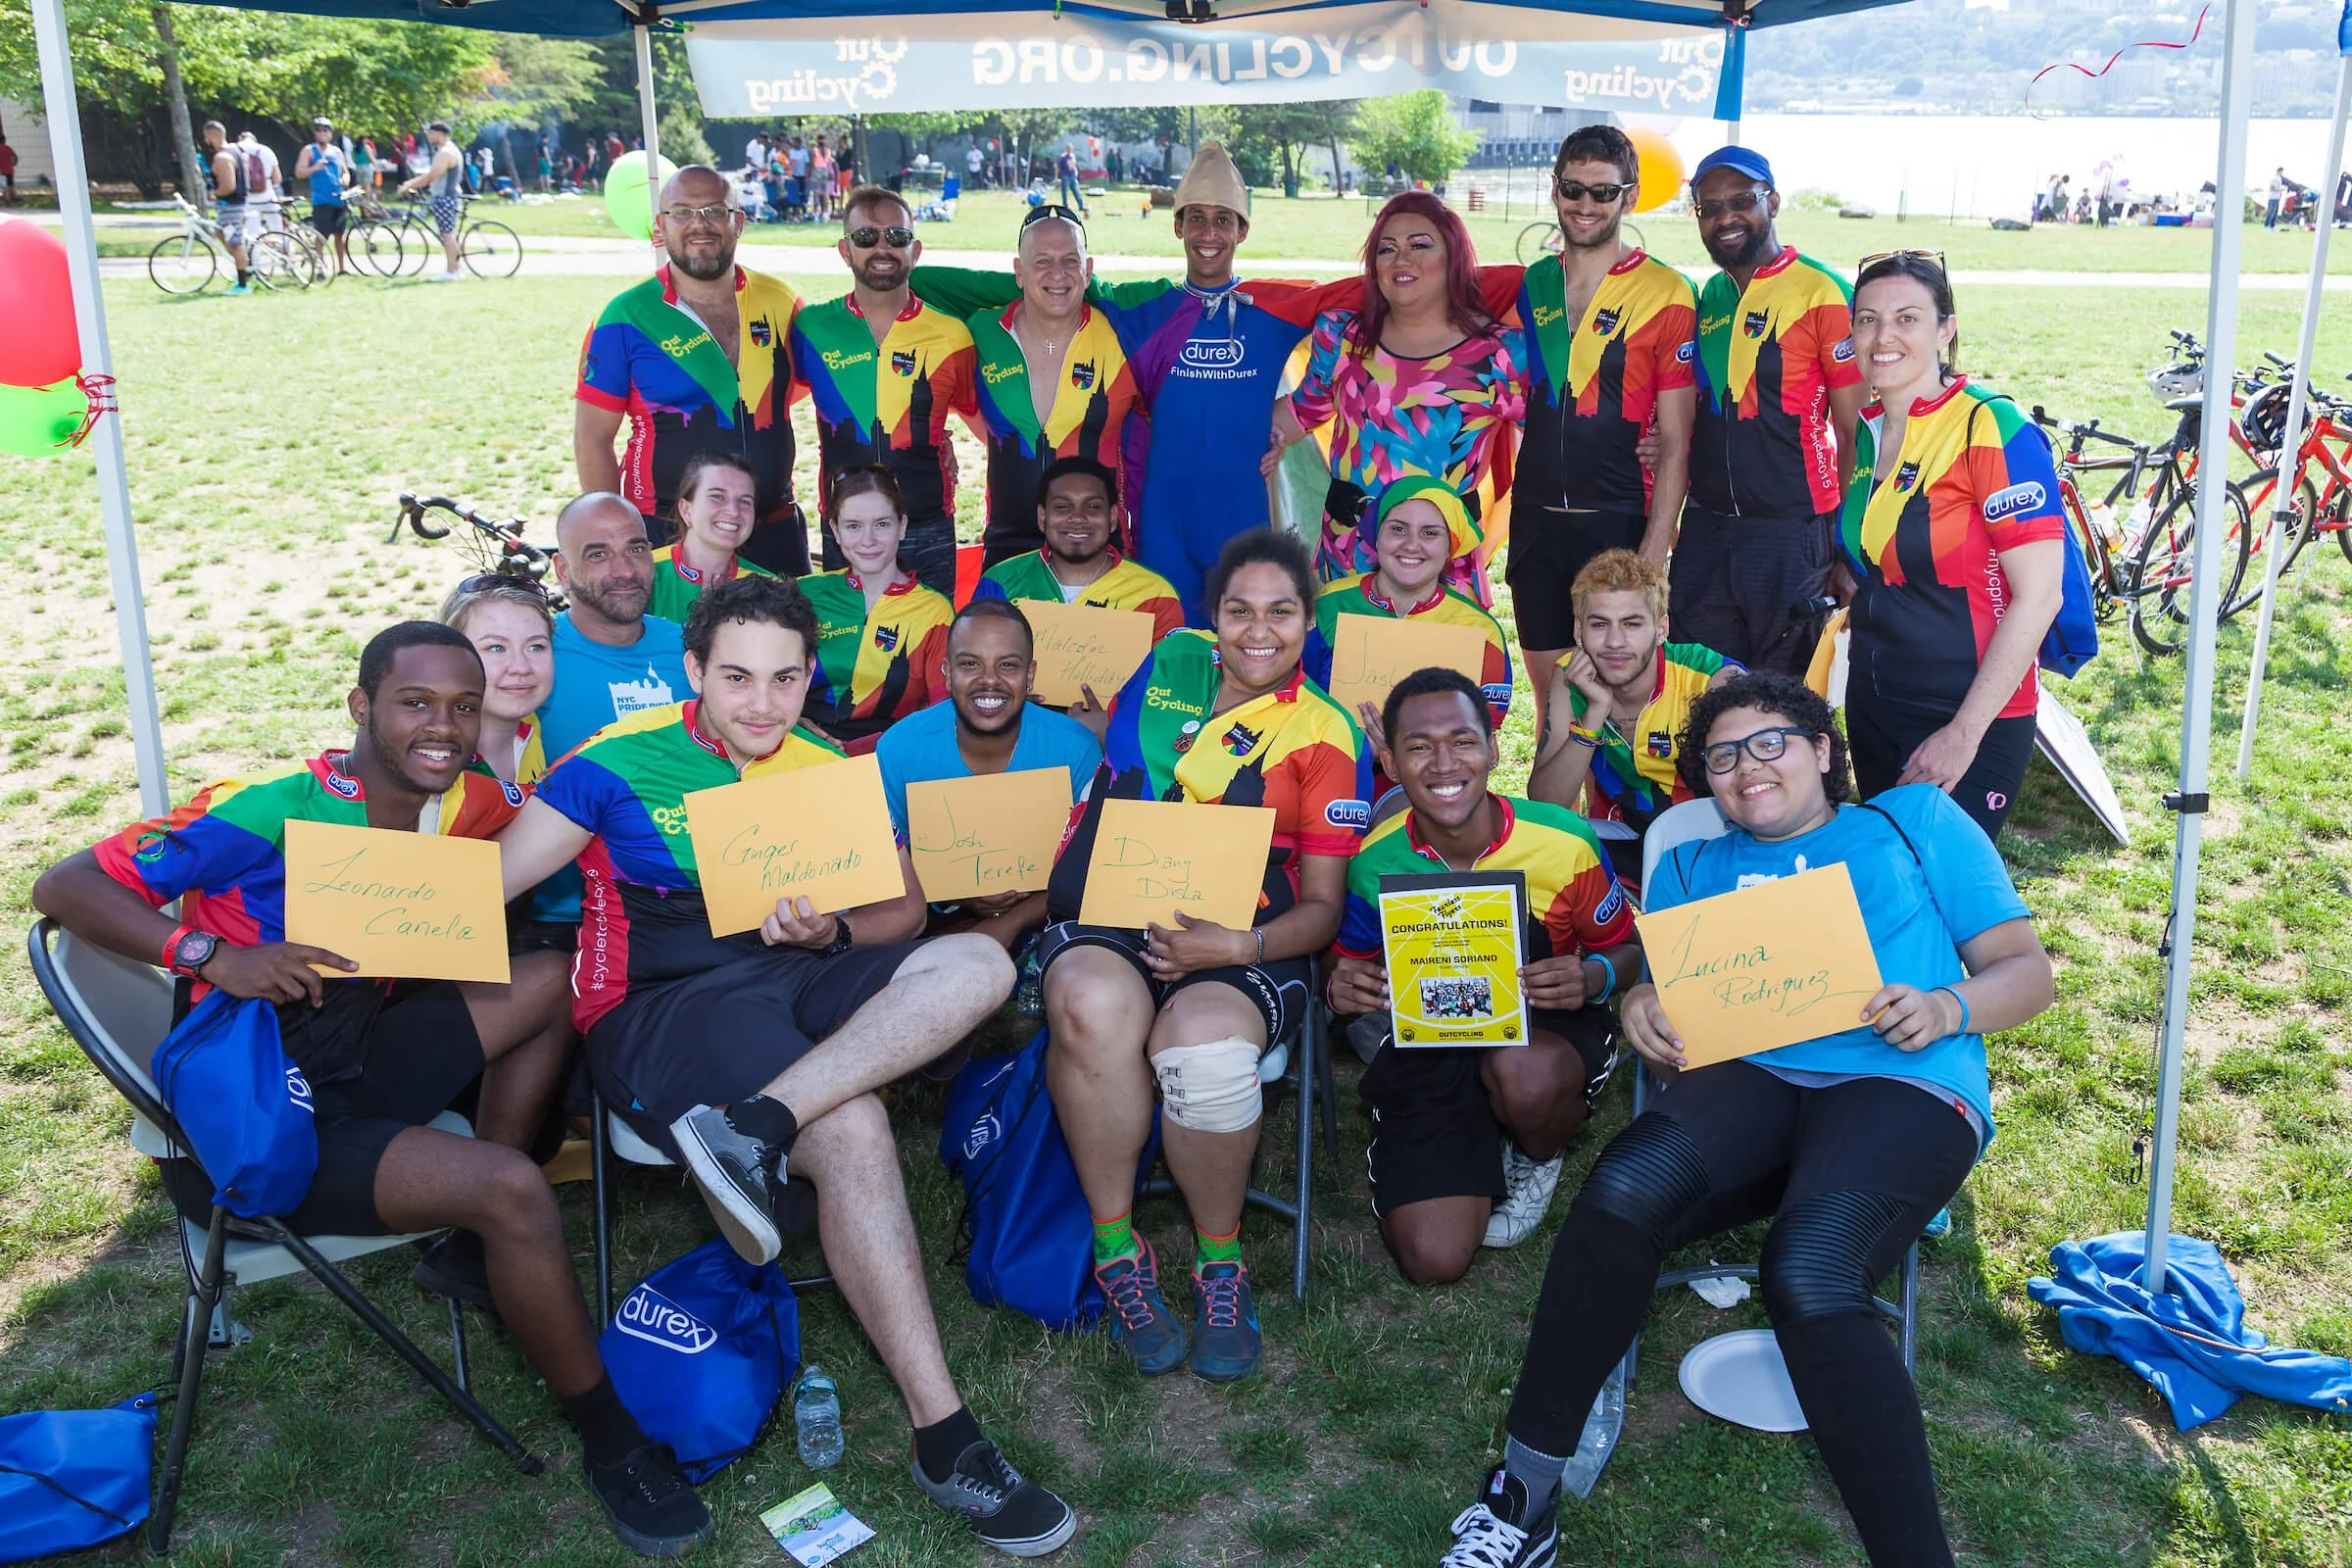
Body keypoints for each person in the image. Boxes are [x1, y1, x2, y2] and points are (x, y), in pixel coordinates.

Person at [31, 623, 718, 1558]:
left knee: (549, 977)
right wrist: (211, 953)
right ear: (361, 708)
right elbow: (63, 884)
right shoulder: (274, 806)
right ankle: (612, 1441)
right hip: (263, 1113)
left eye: (463, 707)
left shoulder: (473, 795)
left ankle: (482, 1253)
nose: (442, 726)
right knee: (509, 1193)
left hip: (365, 1050)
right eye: (415, 703)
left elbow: (574, 802)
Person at [495, 576, 1078, 1558]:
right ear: (693, 672)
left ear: (811, 678)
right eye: (735, 677)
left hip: (796, 973)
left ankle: (754, 1130)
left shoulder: (822, 760)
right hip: (659, 1003)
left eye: (782, 678)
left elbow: (899, 911)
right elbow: (489, 882)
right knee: (848, 1124)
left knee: (977, 960)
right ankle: (946, 1435)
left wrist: (837, 924)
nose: (760, 703)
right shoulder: (611, 763)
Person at [1437, 672, 2053, 1568]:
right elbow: (1678, 1016)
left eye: (1772, 742)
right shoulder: (1690, 864)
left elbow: (2026, 972)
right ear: (1707, 782)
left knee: (1810, 1269)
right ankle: (1523, 1496)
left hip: (1903, 1081)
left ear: (1823, 752)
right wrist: (1645, 1006)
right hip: (1758, 1079)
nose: (1747, 766)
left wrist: (1948, 1006)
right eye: (1723, 756)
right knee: (1616, 1198)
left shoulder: (1910, 823)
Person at [1039, 530, 1369, 1384]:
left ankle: (1219, 1265)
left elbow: (1325, 911)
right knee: (1086, 1003)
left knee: (1211, 1055)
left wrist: (1236, 945)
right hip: (1121, 901)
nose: (1258, 632)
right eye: (1239, 611)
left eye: (1281, 613)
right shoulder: (1168, 661)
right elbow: (1117, 775)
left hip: (1247, 928)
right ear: (1212, 614)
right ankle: (1118, 1251)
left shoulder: (1326, 734)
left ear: (1308, 622)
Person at [912, 144, 1349, 619]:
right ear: (1177, 226)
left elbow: (1352, 302)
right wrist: (1022, 284)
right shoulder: (1143, 308)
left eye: (1223, 220)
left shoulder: (1268, 305)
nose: (1208, 233)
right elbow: (957, 283)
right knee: (1167, 646)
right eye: (1196, 218)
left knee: (1243, 639)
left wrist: (1297, 415)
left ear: (1243, 230)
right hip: (1163, 521)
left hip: (1239, 511)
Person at [1328, 668, 1641, 1276]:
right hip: (1431, 1039)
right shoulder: (1372, 862)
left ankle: (1534, 1148)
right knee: (1433, 1261)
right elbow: (1349, 965)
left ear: (1494, 747)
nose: (1444, 764)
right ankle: (1465, 1131)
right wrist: (1344, 984)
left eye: (1463, 741)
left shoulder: (1565, 842)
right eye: (1419, 747)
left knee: (1521, 1073)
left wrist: (1595, 976)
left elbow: (1628, 947)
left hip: (1547, 1028)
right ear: (1390, 762)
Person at [1839, 252, 2065, 842]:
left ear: (1946, 329)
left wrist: (1964, 732)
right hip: (1872, 698)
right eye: (1867, 319)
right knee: (1891, 884)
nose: (1883, 336)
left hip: (1966, 713)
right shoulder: (1867, 429)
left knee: (1949, 901)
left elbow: (2039, 597)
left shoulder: (1990, 426)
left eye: (1907, 318)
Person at [1507, 124, 1699, 741]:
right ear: (1554, 189)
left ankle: (1616, 831)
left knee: (1618, 709)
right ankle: (1561, 834)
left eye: (1602, 192)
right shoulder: (1532, 281)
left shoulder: (1668, 293)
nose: (1585, 205)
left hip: (1617, 520)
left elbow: (1675, 443)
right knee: (1552, 710)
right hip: (1536, 523)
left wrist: (1653, 551)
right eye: (1572, 189)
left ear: (1631, 196)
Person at [1264, 191, 1526, 602]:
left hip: (1442, 568)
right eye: (1387, 249)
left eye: (1420, 244)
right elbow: (1301, 413)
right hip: (1348, 562)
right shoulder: (1341, 336)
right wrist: (1208, 427)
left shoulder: (1502, 355)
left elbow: (1560, 442)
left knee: (1437, 668)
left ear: (1453, 257)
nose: (1402, 259)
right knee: (1345, 668)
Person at [1677, 146, 1866, 678]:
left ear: (1774, 201)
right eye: (1709, 208)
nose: (1725, 217)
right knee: (1699, 691)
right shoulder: (1707, 297)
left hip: (1793, 530)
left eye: (1742, 200)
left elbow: (1857, 432)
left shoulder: (1823, 292)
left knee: (1787, 702)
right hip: (1705, 529)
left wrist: (1848, 550)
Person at [575, 165, 811, 576]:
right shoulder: (625, 317)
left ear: (738, 221)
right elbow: (593, 438)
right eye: (682, 212)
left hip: (772, 529)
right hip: (667, 534)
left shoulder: (781, 301)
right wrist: (612, 537)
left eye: (715, 211)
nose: (699, 225)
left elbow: (815, 387)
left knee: (792, 639)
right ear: (660, 226)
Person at [877, 599, 1103, 951]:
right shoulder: (899, 749)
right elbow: (893, 871)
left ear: (1030, 675)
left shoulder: (1076, 749)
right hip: (934, 916)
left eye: (1007, 665)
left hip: (1050, 915)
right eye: (970, 664)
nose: (989, 680)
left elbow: (1089, 869)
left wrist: (1010, 923)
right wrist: (962, 896)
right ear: (947, 672)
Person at [790, 184, 979, 594]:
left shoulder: (952, 336)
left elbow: (986, 425)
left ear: (916, 250)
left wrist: (942, 448)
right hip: (847, 527)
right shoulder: (811, 328)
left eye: (897, 237)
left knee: (931, 650)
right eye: (865, 237)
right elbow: (770, 404)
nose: (882, 247)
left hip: (926, 523)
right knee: (848, 650)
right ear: (845, 250)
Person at [1527, 549, 1739, 866]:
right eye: (1599, 624)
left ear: (1661, 629)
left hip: (1715, 841)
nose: (1615, 641)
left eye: (1631, 623)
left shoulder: (1711, 679)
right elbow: (1547, 802)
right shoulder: (1570, 676)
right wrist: (1594, 715)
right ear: (1577, 631)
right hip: (1623, 835)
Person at [966, 208, 1144, 566]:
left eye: (1070, 260)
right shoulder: (980, 333)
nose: (1058, 274)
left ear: (1088, 270)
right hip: (1007, 547)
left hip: (1099, 548)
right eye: (1042, 261)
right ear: (1018, 272)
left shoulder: (1122, 339)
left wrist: (1282, 422)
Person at [1304, 478, 1513, 769]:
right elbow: (1289, 707)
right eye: (1398, 529)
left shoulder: (1481, 632)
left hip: (1434, 784)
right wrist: (1356, 745)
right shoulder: (1325, 607)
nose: (1412, 544)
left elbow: (1483, 750)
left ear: (1449, 548)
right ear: (1377, 538)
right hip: (1327, 774)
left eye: (1430, 533)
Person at [799, 466, 954, 747]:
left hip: (889, 755)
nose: (868, 540)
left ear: (902, 526)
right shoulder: (802, 594)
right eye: (853, 526)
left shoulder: (935, 612)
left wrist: (861, 750)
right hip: (802, 751)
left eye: (882, 524)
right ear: (835, 530)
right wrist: (791, 723)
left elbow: (942, 713)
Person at [974, 456, 1184, 643]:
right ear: (1042, 517)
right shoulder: (999, 583)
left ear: (1112, 518)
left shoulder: (1154, 594)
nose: (1077, 517)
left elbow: (1169, 680)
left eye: (1092, 507)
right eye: (1062, 507)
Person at [437, 576, 556, 785]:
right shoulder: (428, 764)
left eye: (536, 647)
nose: (521, 667)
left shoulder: (530, 730)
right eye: (496, 648)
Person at [647, 450, 778, 625]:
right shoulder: (644, 574)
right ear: (686, 510)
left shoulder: (770, 588)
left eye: (745, 501)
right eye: (717, 497)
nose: (733, 511)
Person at [396, 122, 466, 281]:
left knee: (447, 235)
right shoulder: (450, 150)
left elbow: (430, 177)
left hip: (444, 198)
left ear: (440, 134)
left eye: (431, 133)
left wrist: (408, 185)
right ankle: (456, 269)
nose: (429, 136)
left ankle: (451, 272)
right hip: (448, 197)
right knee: (450, 234)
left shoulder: (445, 153)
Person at [200, 121, 254, 294]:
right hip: (236, 203)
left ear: (211, 136)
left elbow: (228, 186)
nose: (205, 141)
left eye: (206, 137)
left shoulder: (222, 157)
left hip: (231, 205)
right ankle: (244, 267)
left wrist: (214, 194)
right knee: (221, 234)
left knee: (236, 243)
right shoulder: (237, 150)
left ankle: (243, 284)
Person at [293, 117, 351, 275]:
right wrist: (315, 168)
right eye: (318, 130)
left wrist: (344, 180)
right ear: (315, 133)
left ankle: (342, 268)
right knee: (322, 235)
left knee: (340, 235)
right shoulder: (309, 151)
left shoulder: (337, 152)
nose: (322, 133)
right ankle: (320, 268)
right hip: (321, 200)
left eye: (325, 130)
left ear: (331, 133)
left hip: (338, 198)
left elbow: (345, 171)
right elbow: (299, 172)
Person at [1054, 145, 1088, 216]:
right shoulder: (1063, 157)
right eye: (1068, 148)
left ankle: (1081, 206)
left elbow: (1074, 166)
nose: (1070, 150)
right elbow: (1058, 167)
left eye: (1071, 149)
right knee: (1065, 193)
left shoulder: (1073, 156)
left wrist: (1076, 173)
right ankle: (1065, 207)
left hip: (1073, 176)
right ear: (1066, 149)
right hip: (1065, 176)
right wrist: (1056, 177)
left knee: (1077, 192)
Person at [0, 131, 16, 205]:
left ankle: (7, 200)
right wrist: (13, 164)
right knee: (10, 185)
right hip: (10, 170)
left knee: (4, 186)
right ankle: (13, 197)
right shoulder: (8, 148)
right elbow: (14, 157)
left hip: (1, 171)